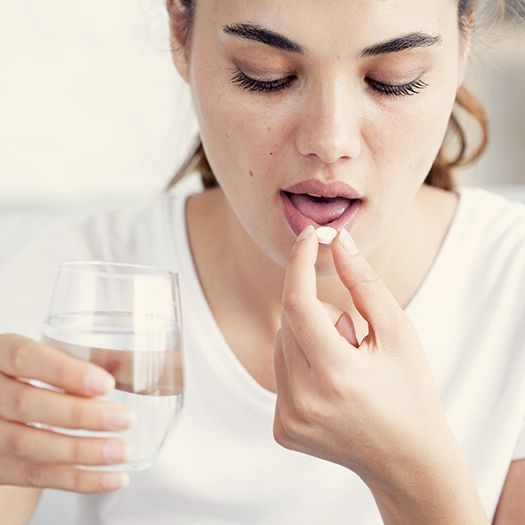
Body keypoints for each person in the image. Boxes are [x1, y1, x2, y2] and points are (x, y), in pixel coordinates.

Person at [0, 0, 524, 523]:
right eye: (265, 76)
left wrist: (414, 477)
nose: (330, 142)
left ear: (463, 44)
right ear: (180, 33)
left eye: (393, 79)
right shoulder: (76, 289)